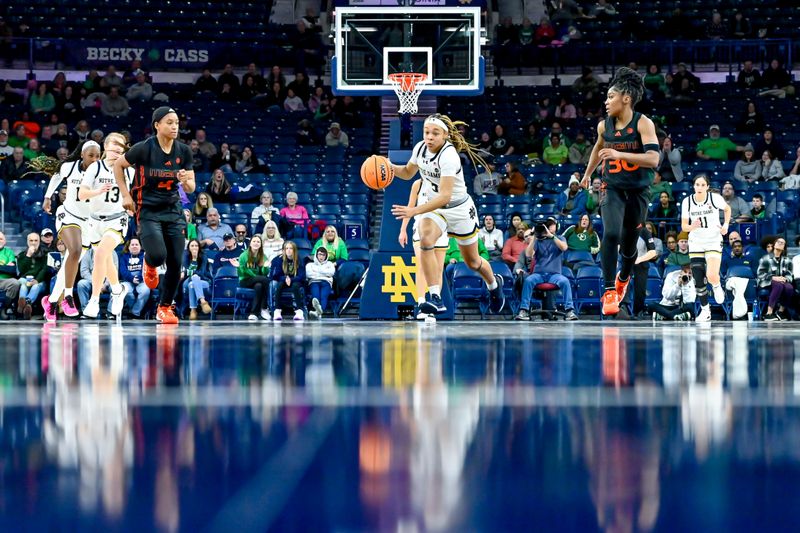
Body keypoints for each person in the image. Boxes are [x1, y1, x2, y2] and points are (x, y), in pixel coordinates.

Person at [390, 113, 506, 316]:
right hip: (436, 209)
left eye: (435, 133)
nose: (430, 136)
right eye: (427, 132)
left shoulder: (449, 155)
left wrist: (414, 210)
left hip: (459, 209)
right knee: (425, 238)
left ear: (445, 135)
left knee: (473, 262)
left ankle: (494, 285)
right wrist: (387, 167)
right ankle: (435, 297)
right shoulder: (419, 148)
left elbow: (445, 196)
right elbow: (408, 172)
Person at [580, 67, 660, 316]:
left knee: (628, 246)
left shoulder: (643, 122)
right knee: (611, 233)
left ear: (626, 98)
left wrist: (619, 154)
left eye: (610, 97)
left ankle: (623, 278)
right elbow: (598, 147)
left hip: (638, 191)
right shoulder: (604, 126)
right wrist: (587, 173)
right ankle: (608, 291)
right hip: (612, 187)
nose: (606, 102)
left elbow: (653, 159)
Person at [115, 106, 195, 324]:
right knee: (159, 255)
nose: (174, 126)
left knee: (176, 262)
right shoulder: (143, 148)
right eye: (169, 122)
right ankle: (149, 264)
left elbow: (190, 188)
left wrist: (184, 179)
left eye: (177, 122)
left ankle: (165, 307)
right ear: (157, 125)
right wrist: (126, 196)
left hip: (173, 210)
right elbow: (118, 165)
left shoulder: (184, 151)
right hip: (147, 209)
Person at [37, 141, 102, 321]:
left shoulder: (101, 172)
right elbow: (56, 177)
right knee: (74, 250)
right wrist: (48, 197)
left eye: (98, 156)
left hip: (88, 222)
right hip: (68, 215)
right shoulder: (69, 167)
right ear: (82, 155)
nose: (95, 159)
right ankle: (67, 296)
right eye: (91, 155)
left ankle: (50, 301)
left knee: (69, 264)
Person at [76, 132, 133, 319]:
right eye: (114, 144)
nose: (117, 147)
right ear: (106, 146)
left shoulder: (129, 170)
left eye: (121, 144)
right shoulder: (95, 168)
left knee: (100, 254)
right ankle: (117, 289)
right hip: (94, 220)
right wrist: (97, 191)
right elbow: (82, 194)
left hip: (117, 219)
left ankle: (93, 301)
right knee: (105, 259)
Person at [681, 174, 731, 322]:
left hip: (713, 239)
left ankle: (716, 285)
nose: (700, 187)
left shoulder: (714, 198)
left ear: (707, 187)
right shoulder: (687, 202)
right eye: (697, 185)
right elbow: (684, 226)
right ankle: (705, 310)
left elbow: (727, 209)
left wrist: (726, 225)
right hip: (696, 241)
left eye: (703, 185)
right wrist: (692, 226)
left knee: (711, 275)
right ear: (694, 186)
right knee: (697, 277)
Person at [398, 179, 448, 321]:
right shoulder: (417, 184)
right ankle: (421, 304)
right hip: (421, 228)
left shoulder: (445, 182)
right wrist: (403, 230)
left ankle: (434, 305)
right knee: (420, 266)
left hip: (441, 228)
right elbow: (409, 207)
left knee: (438, 269)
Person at [514, 219, 578, 321]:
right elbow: (528, 254)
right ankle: (524, 310)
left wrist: (551, 236)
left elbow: (564, 248)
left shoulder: (560, 238)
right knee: (528, 281)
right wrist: (534, 237)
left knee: (565, 281)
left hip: (555, 275)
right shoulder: (538, 241)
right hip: (539, 274)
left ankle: (569, 311)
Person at [757, 236, 793, 321]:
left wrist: (785, 279)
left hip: (782, 282)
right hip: (766, 281)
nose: (780, 243)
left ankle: (780, 311)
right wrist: (774, 278)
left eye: (782, 243)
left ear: (784, 247)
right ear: (774, 245)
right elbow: (760, 274)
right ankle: (769, 313)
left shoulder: (787, 260)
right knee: (778, 285)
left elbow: (789, 274)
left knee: (790, 288)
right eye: (778, 242)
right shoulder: (765, 258)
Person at [237, 234, 271, 321]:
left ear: (260, 244)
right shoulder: (243, 255)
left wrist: (265, 267)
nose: (256, 243)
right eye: (254, 241)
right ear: (250, 243)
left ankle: (254, 313)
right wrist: (255, 276)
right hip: (245, 280)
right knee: (264, 280)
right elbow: (242, 272)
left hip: (257, 280)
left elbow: (264, 273)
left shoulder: (263, 256)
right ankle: (265, 307)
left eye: (258, 242)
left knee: (259, 286)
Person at [270, 240, 305, 321]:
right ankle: (277, 310)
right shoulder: (280, 259)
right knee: (279, 285)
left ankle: (299, 310)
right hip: (284, 280)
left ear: (294, 250)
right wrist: (285, 278)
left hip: (296, 280)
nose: (288, 250)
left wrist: (291, 279)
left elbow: (301, 276)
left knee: (295, 286)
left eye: (291, 248)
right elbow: (277, 275)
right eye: (287, 248)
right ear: (284, 250)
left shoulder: (299, 260)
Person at [14, 232, 47, 319]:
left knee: (36, 286)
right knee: (23, 286)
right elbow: (22, 270)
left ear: (39, 241)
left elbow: (44, 270)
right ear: (27, 242)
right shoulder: (21, 255)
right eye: (31, 240)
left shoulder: (45, 255)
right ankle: (27, 304)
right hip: (25, 279)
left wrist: (37, 280)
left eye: (36, 240)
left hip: (39, 281)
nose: (33, 243)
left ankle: (23, 302)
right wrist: (28, 256)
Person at [119, 237, 150, 318]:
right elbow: (123, 270)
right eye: (132, 245)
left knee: (145, 291)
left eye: (137, 244)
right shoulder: (124, 256)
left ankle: (134, 312)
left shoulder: (145, 256)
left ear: (140, 246)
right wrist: (131, 278)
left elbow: (145, 268)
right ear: (128, 247)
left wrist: (139, 278)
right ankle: (136, 310)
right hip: (128, 280)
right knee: (124, 290)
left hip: (142, 280)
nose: (134, 246)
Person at [180, 238, 211, 320]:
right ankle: (203, 301)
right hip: (187, 281)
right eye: (192, 246)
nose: (194, 248)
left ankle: (193, 310)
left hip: (203, 281)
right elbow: (188, 274)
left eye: (196, 246)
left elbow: (202, 273)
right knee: (193, 278)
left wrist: (193, 273)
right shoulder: (185, 257)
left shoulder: (203, 256)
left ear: (199, 247)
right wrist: (194, 259)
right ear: (188, 248)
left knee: (192, 283)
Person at [306, 246, 335, 320]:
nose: (321, 256)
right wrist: (324, 273)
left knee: (323, 296)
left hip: (326, 282)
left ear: (326, 256)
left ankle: (317, 313)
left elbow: (331, 273)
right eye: (319, 254)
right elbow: (308, 274)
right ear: (316, 255)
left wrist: (318, 271)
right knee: (316, 298)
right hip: (314, 282)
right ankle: (319, 313)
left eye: (323, 255)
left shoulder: (330, 264)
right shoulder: (310, 265)